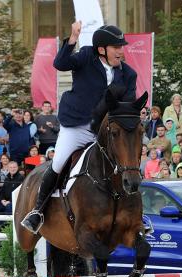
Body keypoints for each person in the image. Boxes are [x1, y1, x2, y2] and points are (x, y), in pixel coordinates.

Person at [21, 22, 137, 233]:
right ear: (102, 49)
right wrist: (72, 38)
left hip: (104, 132)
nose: (121, 51)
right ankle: (37, 211)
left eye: (122, 47)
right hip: (76, 126)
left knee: (127, 166)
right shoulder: (86, 57)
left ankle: (136, 217)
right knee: (57, 165)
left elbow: (127, 105)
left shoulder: (128, 74)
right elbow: (60, 63)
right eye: (116, 47)